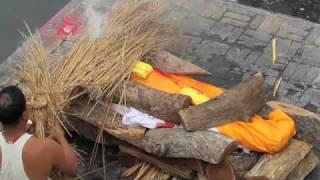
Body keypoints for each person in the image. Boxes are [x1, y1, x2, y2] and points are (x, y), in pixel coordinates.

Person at [0, 86, 79, 180]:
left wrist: (24, 127)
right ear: (24, 115)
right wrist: (61, 137)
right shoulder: (45, 147)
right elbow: (73, 170)